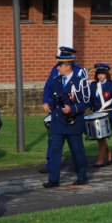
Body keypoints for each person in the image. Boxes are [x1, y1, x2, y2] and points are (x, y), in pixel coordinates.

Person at [43, 55, 91, 188]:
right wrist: (48, 105)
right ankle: (53, 179)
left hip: (73, 122)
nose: (57, 67)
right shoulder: (56, 81)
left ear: (68, 66)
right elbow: (53, 98)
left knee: (77, 152)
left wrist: (72, 108)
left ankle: (81, 177)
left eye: (60, 65)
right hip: (58, 122)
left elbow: (86, 102)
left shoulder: (80, 82)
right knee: (55, 150)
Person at [89, 63, 112, 167]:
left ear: (106, 74)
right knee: (100, 138)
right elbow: (90, 100)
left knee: (102, 137)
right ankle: (109, 152)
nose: (100, 76)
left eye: (102, 74)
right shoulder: (93, 85)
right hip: (96, 115)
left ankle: (100, 159)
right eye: (98, 74)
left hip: (108, 115)